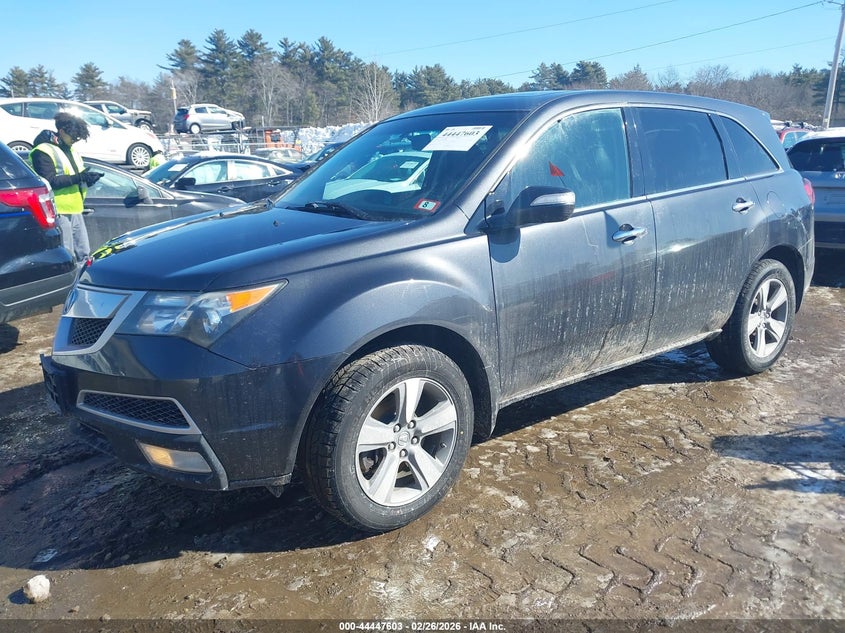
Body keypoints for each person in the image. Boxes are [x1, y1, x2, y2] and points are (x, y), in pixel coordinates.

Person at [29, 112, 102, 263]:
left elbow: (75, 176)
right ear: (61, 131)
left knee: (84, 254)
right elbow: (49, 181)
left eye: (78, 138)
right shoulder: (43, 151)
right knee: (67, 255)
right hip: (58, 210)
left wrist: (88, 180)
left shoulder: (71, 150)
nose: (75, 141)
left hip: (75, 208)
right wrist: (79, 177)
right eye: (73, 137)